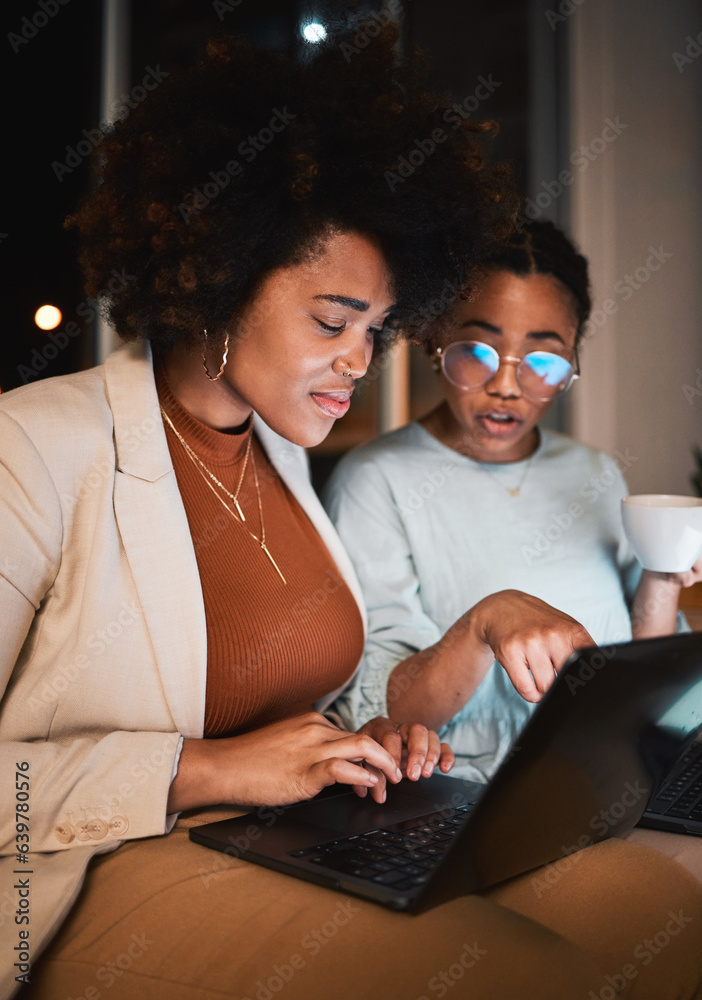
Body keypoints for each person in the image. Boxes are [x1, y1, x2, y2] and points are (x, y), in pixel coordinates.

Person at [1, 30, 702, 1000]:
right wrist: (210, 770)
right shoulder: (33, 448)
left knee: (663, 916)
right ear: (219, 271)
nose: (360, 361)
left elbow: (298, 694)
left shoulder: (280, 456)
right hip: (97, 867)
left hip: (314, 826)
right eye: (332, 322)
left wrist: (371, 734)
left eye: (375, 330)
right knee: (513, 976)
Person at [324, 220, 702, 782]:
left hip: (617, 778)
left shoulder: (593, 472)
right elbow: (387, 715)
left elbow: (641, 676)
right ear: (434, 338)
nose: (507, 386)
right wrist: (485, 621)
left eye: (544, 363)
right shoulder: (376, 480)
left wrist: (664, 576)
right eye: (477, 350)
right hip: (469, 797)